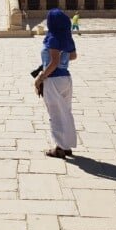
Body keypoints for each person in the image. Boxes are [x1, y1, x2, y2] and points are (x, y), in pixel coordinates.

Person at [34, 8, 77, 158]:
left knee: (55, 113)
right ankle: (67, 146)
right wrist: (61, 60)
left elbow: (54, 62)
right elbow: (73, 56)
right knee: (65, 112)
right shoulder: (67, 37)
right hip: (66, 78)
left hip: (53, 80)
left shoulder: (53, 37)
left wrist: (41, 77)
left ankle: (59, 148)